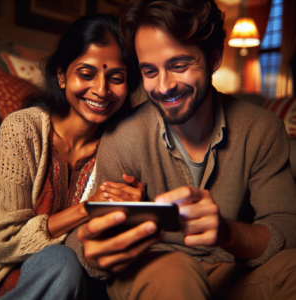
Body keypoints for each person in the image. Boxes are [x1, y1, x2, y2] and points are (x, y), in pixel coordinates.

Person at [68, 0, 296, 299]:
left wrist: (227, 232)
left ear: (214, 58)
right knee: (176, 273)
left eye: (178, 66)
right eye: (149, 71)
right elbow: (83, 240)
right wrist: (93, 253)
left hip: (230, 269)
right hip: (154, 267)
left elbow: (287, 226)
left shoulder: (262, 128)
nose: (163, 87)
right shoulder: (122, 136)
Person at [0, 14, 143, 299]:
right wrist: (89, 208)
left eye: (116, 78)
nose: (101, 90)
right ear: (62, 75)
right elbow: (3, 241)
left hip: (86, 284)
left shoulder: (123, 145)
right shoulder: (22, 129)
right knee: (62, 261)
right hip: (16, 282)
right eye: (86, 74)